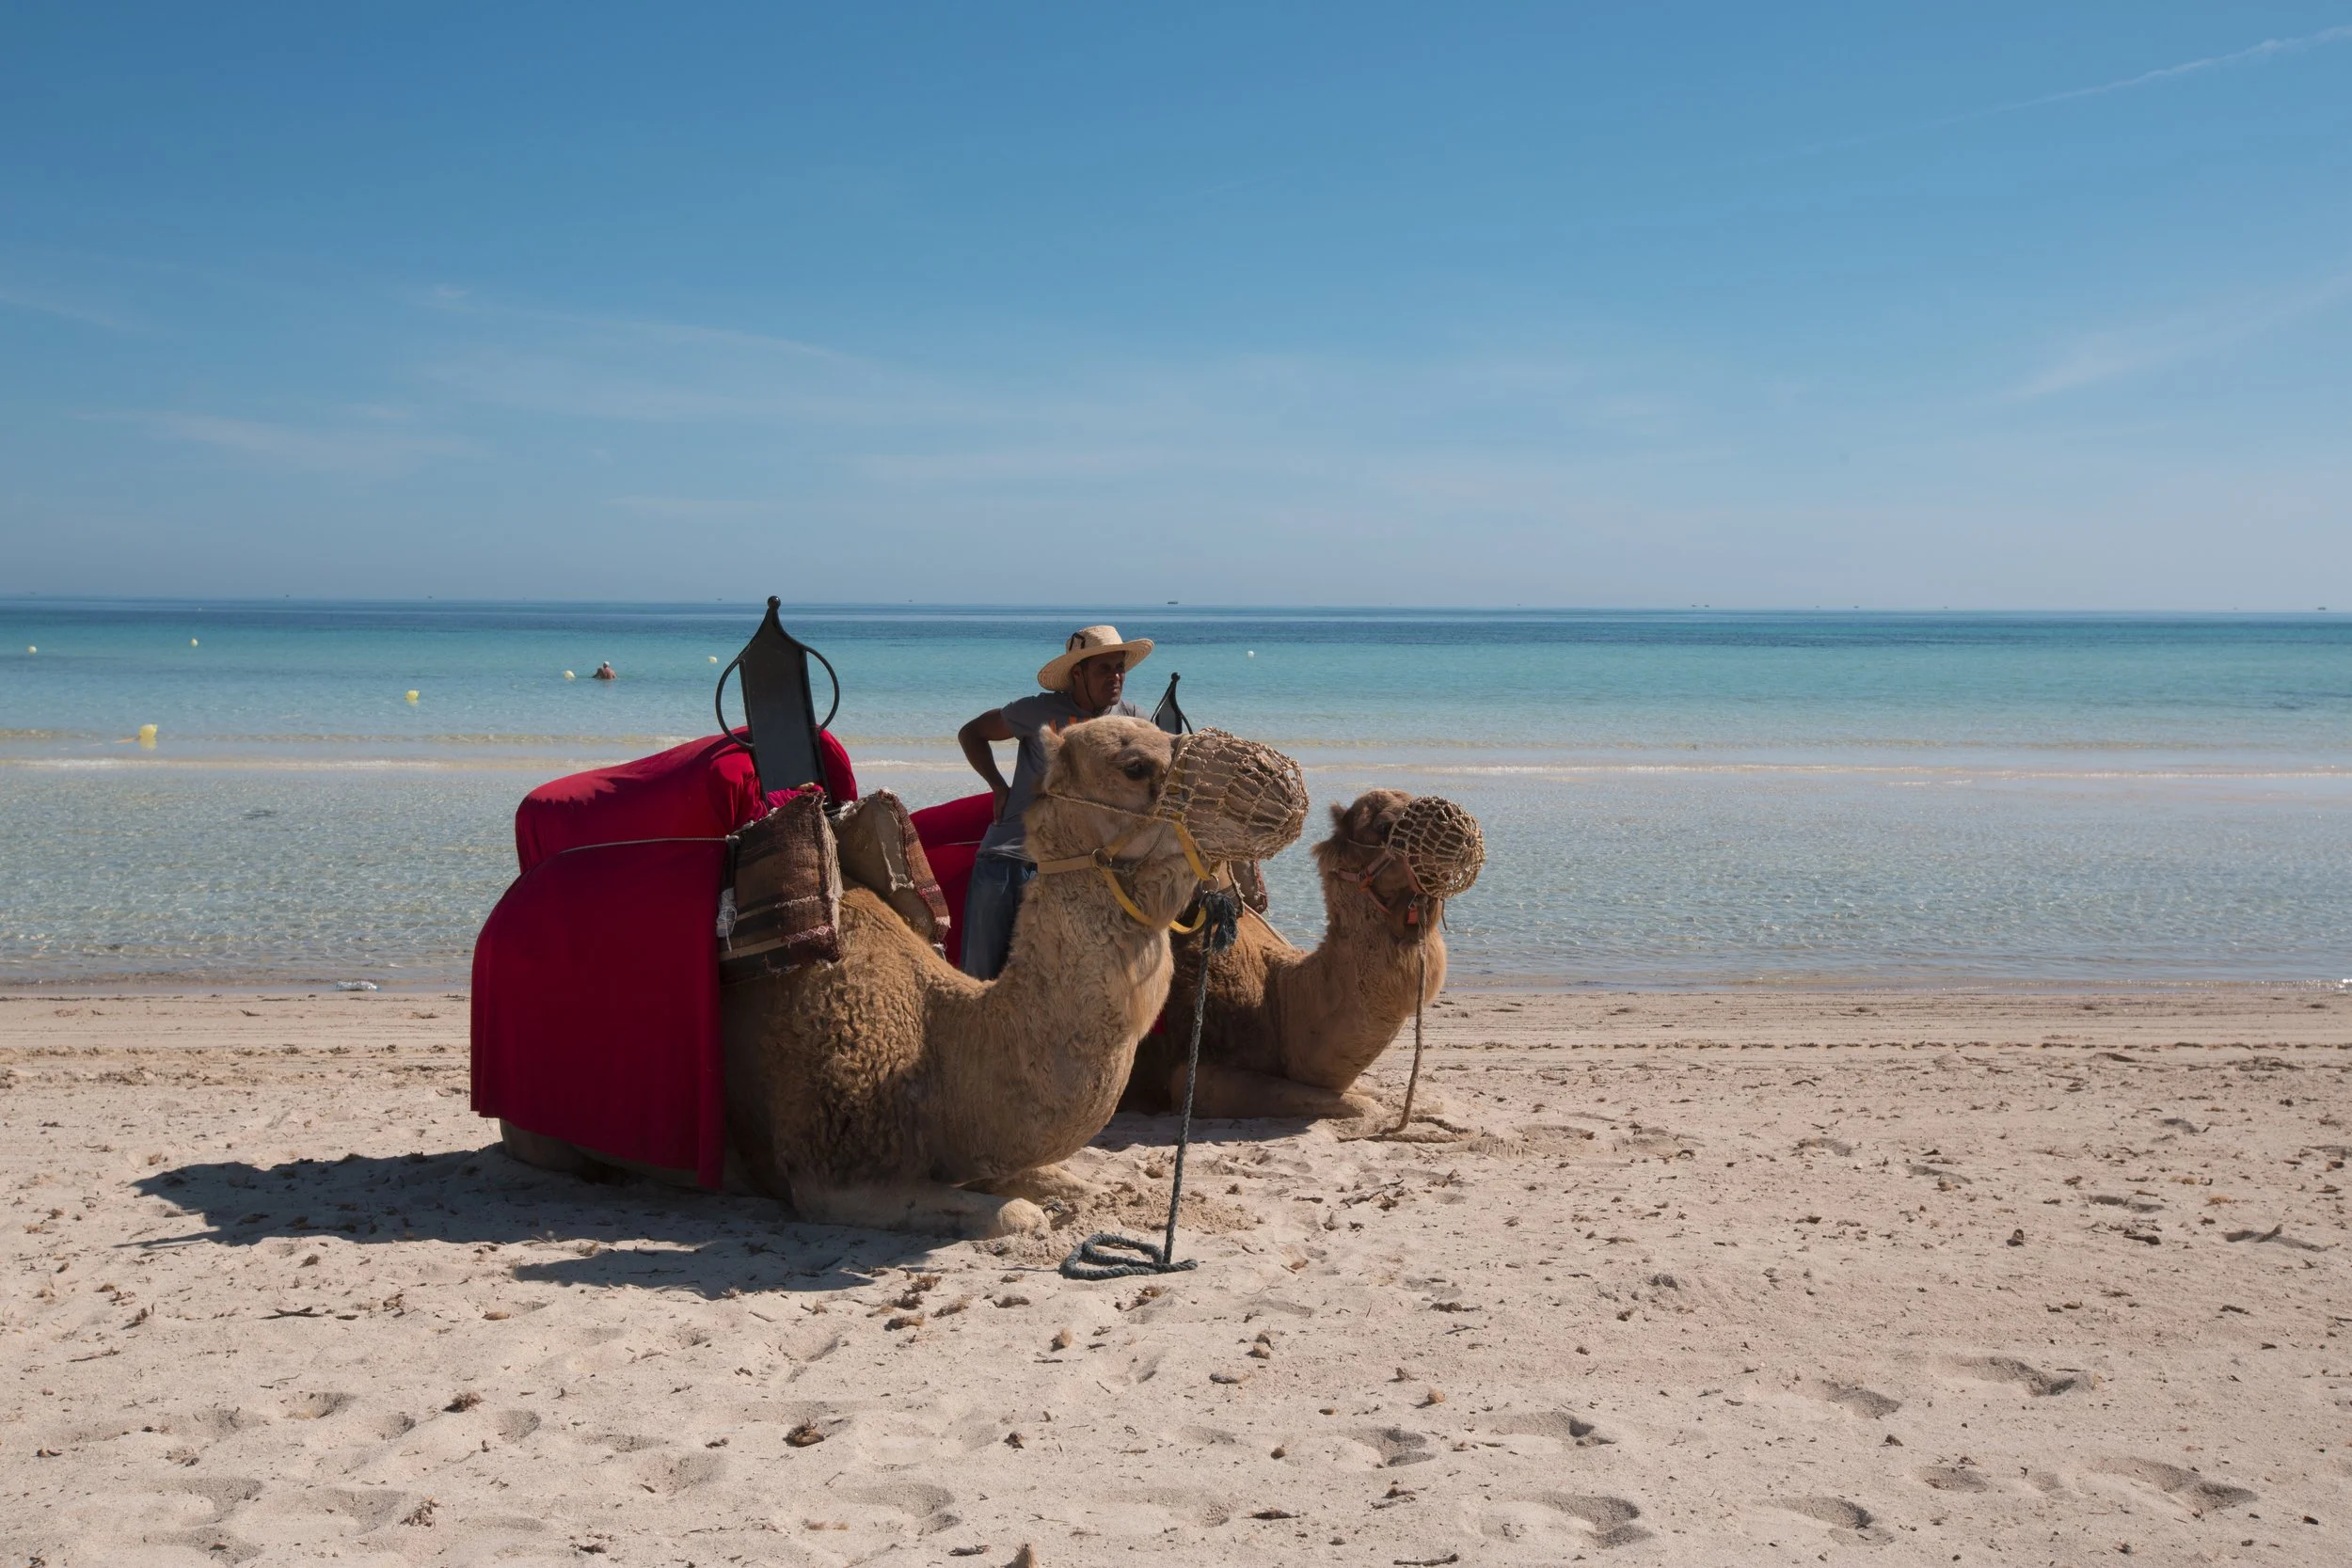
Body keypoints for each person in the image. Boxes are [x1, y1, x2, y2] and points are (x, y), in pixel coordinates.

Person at [955, 624, 1152, 979]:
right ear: (1077, 673)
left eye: (1119, 667)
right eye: (1103, 669)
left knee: (1061, 989)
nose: (1116, 677)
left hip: (1080, 871)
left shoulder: (1135, 722)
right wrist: (998, 786)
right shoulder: (1036, 711)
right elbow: (971, 733)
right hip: (1010, 856)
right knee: (980, 977)